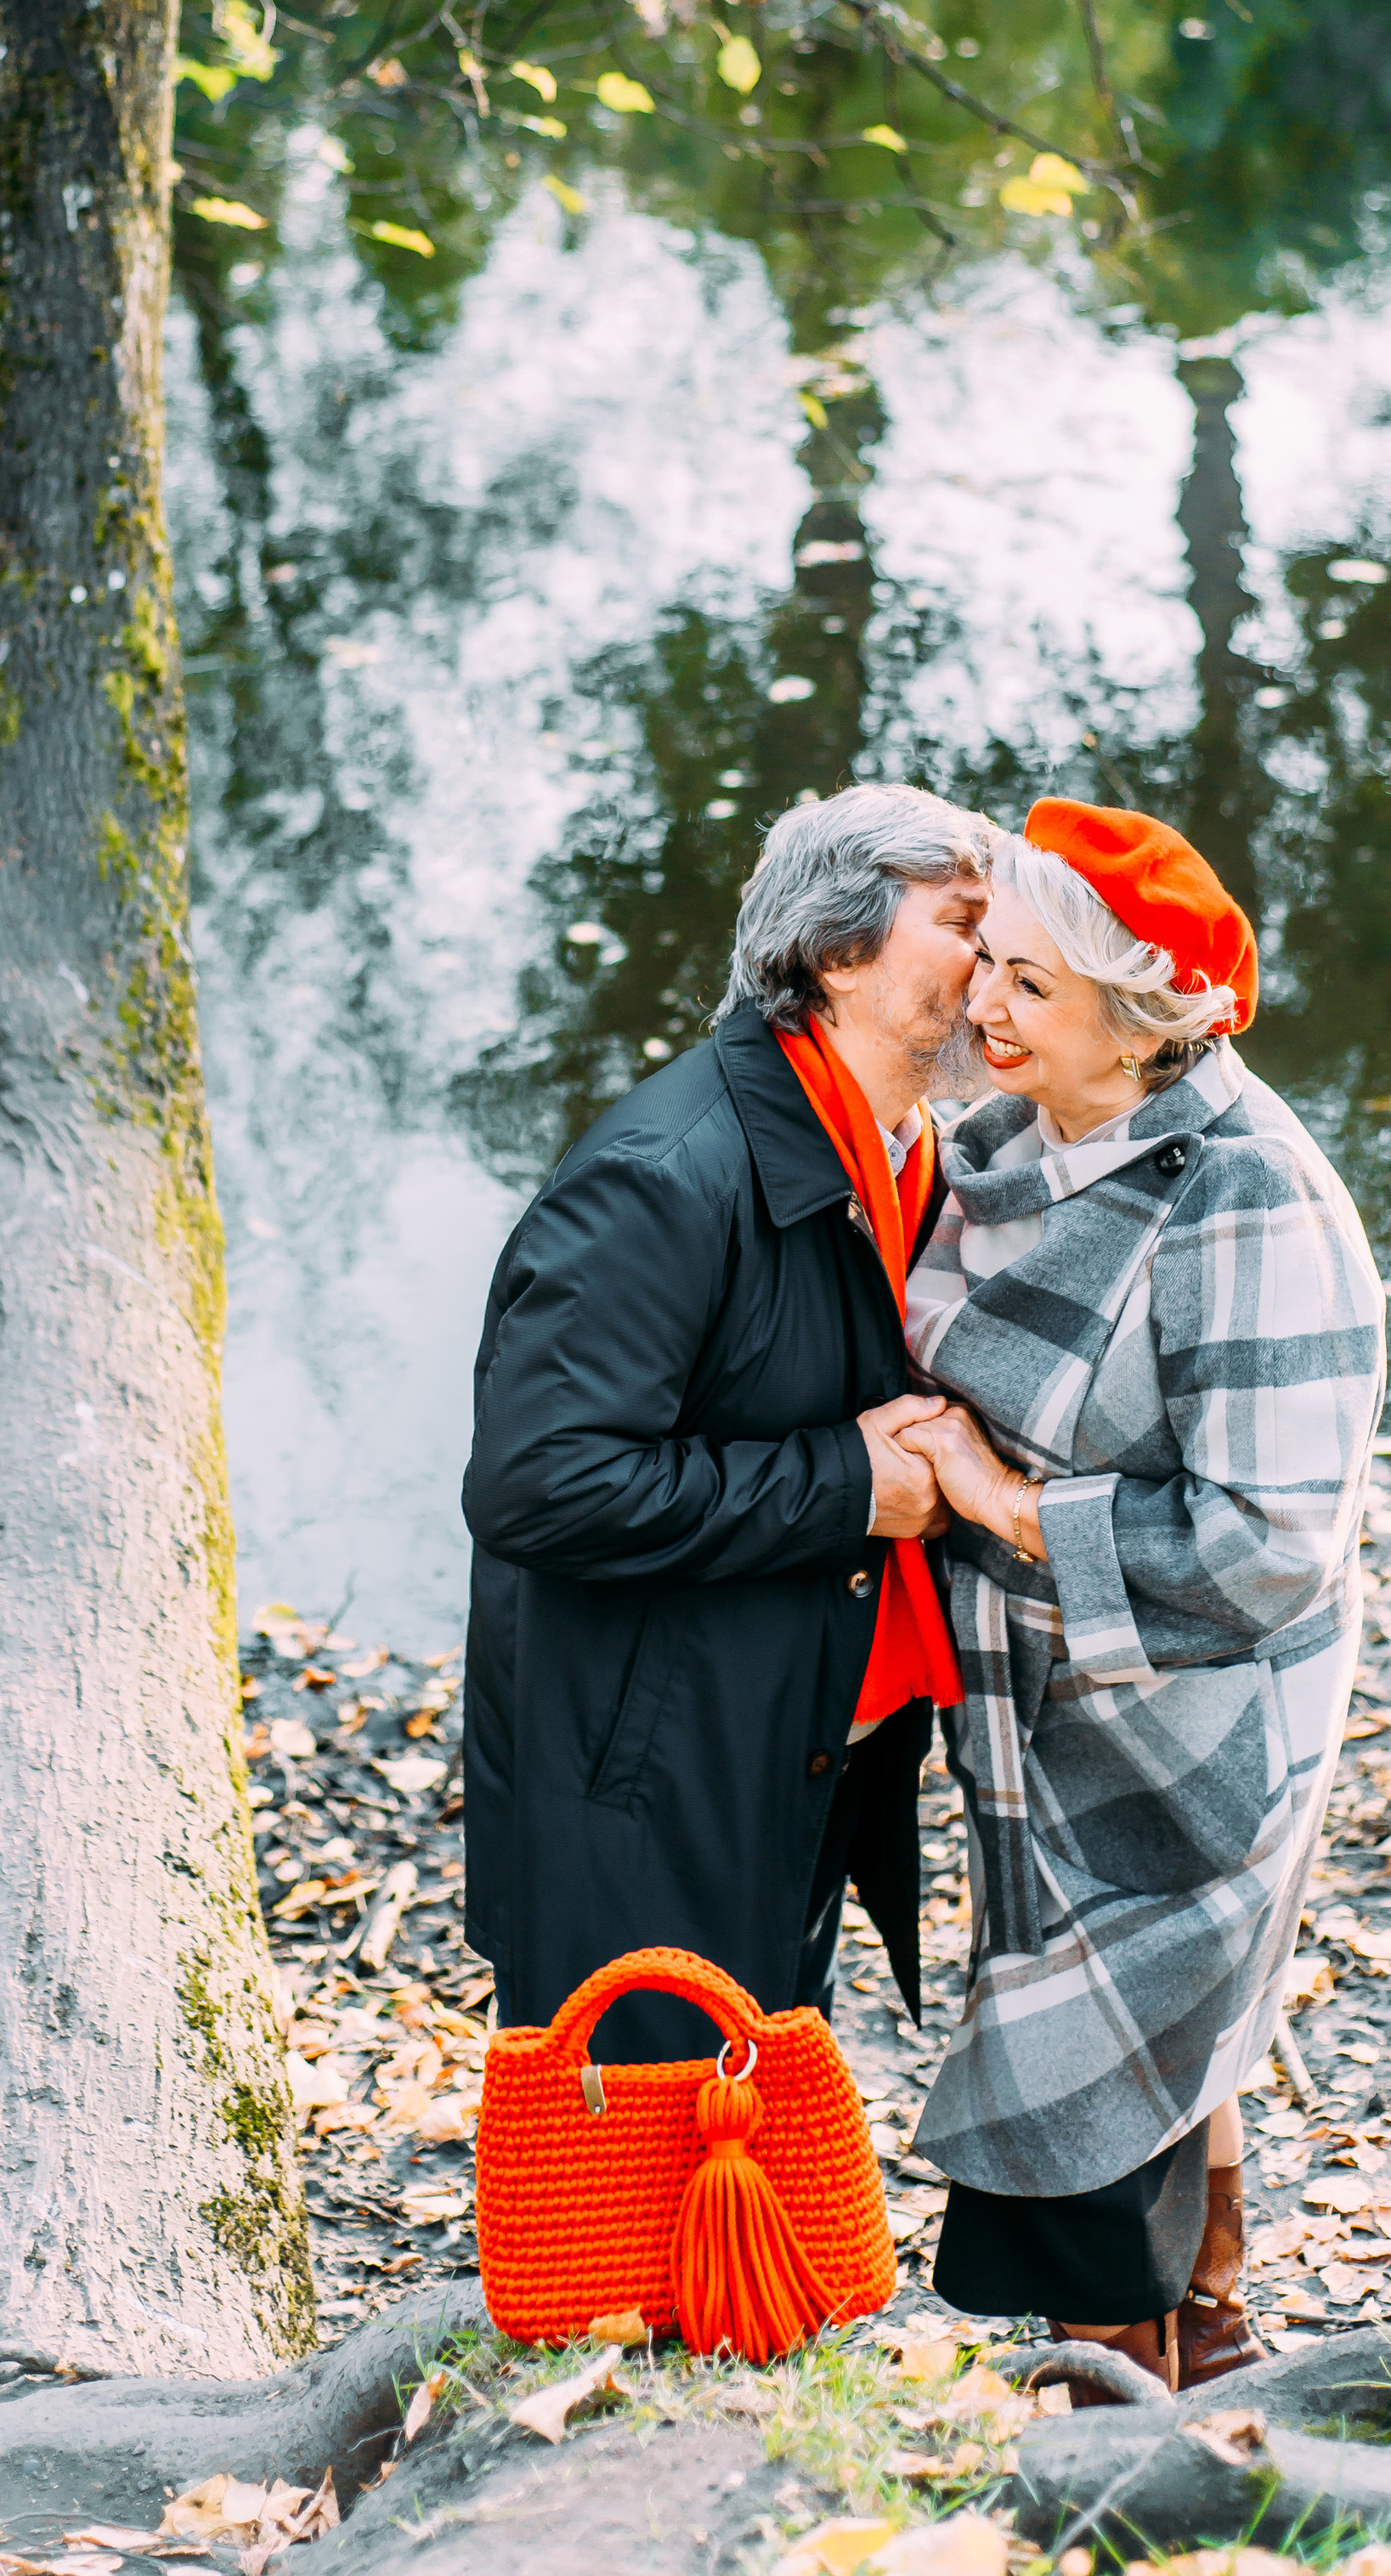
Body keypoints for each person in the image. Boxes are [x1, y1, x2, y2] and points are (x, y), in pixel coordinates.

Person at [902, 798, 1384, 2390]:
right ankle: (1212, 2346)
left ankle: (1110, 2425)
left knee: (1110, 2068)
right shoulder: (1015, 1150)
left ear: (1137, 1018)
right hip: (1038, 1717)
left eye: (1032, 987)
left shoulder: (1247, 1200)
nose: (984, 1006)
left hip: (1193, 1722)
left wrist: (1001, 1503)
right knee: (1149, 2044)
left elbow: (1265, 1542)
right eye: (992, 965)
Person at [460, 784, 991, 2061]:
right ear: (841, 952)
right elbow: (539, 1482)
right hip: (639, 1782)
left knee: (742, 2128)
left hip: (789, 1733)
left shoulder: (912, 1148)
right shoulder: (664, 1175)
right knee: (632, 2173)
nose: (1001, 961)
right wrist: (852, 1485)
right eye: (966, 922)